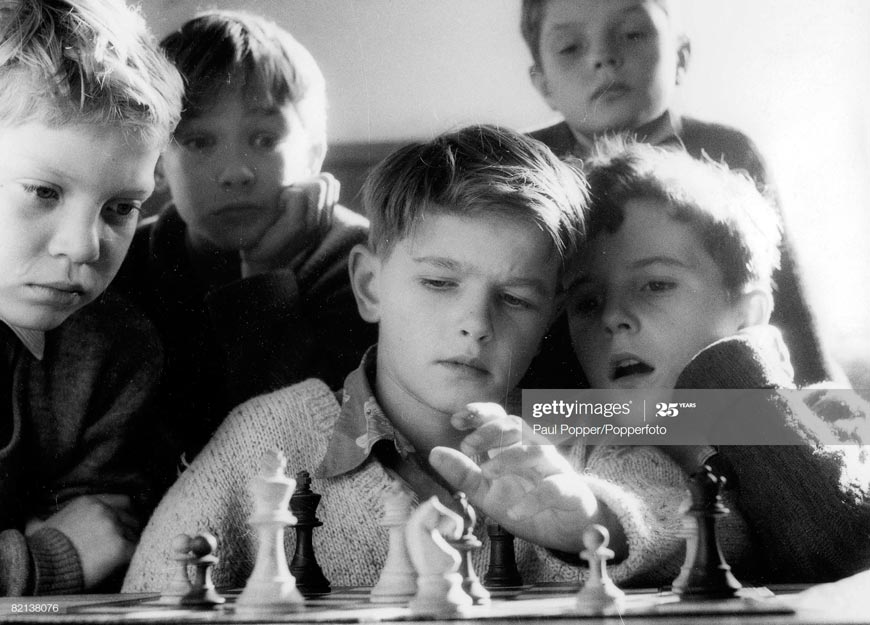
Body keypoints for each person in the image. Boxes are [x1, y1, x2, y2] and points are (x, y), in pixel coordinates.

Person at [123, 125, 719, 592]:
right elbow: (144, 595)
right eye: (438, 283)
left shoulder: (574, 429)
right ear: (370, 286)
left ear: (550, 316)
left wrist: (595, 519)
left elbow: (727, 532)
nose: (476, 323)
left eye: (514, 298)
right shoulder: (268, 436)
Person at [564, 139, 870, 582]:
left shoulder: (836, 414)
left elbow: (839, 543)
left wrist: (733, 368)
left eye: (655, 285)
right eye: (587, 302)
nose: (613, 318)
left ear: (748, 316)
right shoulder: (571, 448)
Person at [518, 0, 837, 388]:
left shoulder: (727, 152)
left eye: (633, 33)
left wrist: (837, 419)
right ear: (543, 85)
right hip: (572, 407)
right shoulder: (522, 170)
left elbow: (788, 317)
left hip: (716, 401)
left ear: (681, 57)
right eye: (570, 47)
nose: (603, 57)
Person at [113, 11, 375, 468]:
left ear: (314, 153)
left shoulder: (361, 265)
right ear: (156, 162)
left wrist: (264, 278)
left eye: (263, 138)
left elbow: (306, 453)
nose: (235, 172)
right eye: (198, 142)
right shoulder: (124, 263)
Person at [0, 0, 183, 595]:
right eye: (42, 191)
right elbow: (72, 550)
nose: (83, 247)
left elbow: (104, 537)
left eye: (121, 208)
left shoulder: (115, 349)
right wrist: (37, 562)